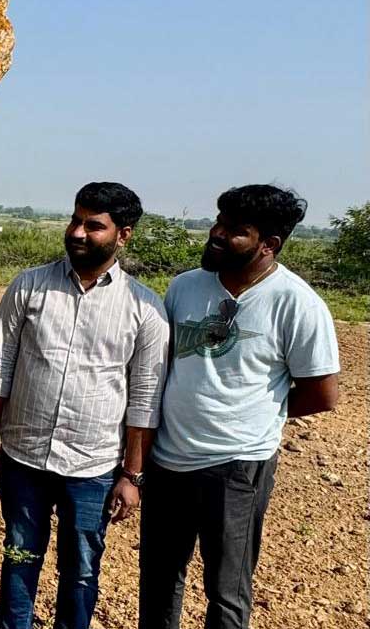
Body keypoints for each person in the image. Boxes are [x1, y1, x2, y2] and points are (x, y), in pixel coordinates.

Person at [139, 185, 339, 629]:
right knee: (158, 579)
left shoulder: (297, 303)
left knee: (227, 592)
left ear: (269, 245)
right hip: (167, 460)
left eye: (236, 231)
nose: (217, 234)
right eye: (219, 222)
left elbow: (322, 393)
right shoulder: (185, 287)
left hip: (237, 467)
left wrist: (253, 413)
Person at [0, 181, 170, 629]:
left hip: (93, 466)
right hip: (24, 457)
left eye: (94, 225)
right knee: (20, 554)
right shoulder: (29, 286)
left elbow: (144, 400)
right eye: (76, 220)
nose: (78, 232)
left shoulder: (144, 308)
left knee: (81, 570)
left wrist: (132, 475)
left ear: (123, 234)